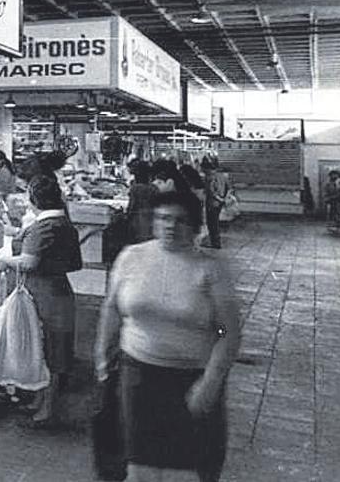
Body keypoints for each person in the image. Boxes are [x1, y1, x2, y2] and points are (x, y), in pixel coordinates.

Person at [95, 191, 240, 482]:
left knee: (185, 467)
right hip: (137, 375)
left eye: (180, 220)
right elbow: (111, 309)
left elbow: (228, 331)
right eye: (163, 218)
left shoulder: (211, 266)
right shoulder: (131, 257)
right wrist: (102, 355)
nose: (171, 226)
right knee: (138, 462)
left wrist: (210, 382)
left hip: (191, 381)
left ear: (195, 226)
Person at [0, 173, 83, 426]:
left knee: (52, 353)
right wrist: (12, 231)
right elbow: (73, 262)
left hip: (47, 297)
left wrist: (4, 262)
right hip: (57, 292)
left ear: (34, 199)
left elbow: (29, 261)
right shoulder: (60, 222)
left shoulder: (46, 226)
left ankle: (46, 408)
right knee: (46, 351)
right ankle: (40, 400)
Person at [125, 159, 156, 245]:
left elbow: (131, 207)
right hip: (152, 220)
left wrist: (126, 216)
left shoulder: (135, 189)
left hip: (139, 220)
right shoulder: (154, 188)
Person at [201, 156, 229, 248]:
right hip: (219, 204)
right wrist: (224, 199)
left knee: (212, 224)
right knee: (216, 223)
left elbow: (211, 191)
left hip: (212, 203)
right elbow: (229, 188)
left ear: (207, 168)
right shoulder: (223, 176)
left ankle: (214, 243)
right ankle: (216, 242)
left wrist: (219, 199)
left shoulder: (209, 178)